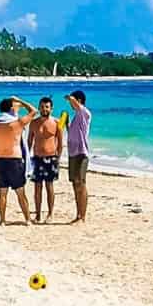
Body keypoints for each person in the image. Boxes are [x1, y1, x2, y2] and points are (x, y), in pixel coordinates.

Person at [0, 98, 30, 226]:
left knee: (2, 191)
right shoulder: (17, 123)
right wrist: (21, 101)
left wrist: (0, 141)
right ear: (11, 108)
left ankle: (3, 220)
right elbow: (33, 111)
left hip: (0, 160)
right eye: (16, 106)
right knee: (20, 192)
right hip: (15, 160)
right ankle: (27, 219)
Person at [27, 97, 64, 223]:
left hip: (51, 158)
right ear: (39, 108)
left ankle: (50, 214)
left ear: (51, 108)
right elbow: (29, 141)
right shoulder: (33, 123)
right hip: (37, 157)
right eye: (42, 106)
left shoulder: (57, 123)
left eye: (47, 107)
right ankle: (37, 215)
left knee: (49, 186)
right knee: (37, 187)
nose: (44, 109)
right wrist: (27, 158)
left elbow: (60, 143)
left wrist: (58, 158)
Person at [64, 89, 93, 224]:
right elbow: (74, 133)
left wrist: (69, 97)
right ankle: (78, 214)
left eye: (73, 101)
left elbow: (75, 103)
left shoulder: (84, 113)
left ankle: (83, 216)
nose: (71, 104)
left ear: (79, 101)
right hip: (72, 153)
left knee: (81, 183)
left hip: (81, 153)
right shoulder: (77, 116)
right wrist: (66, 125)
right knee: (75, 184)